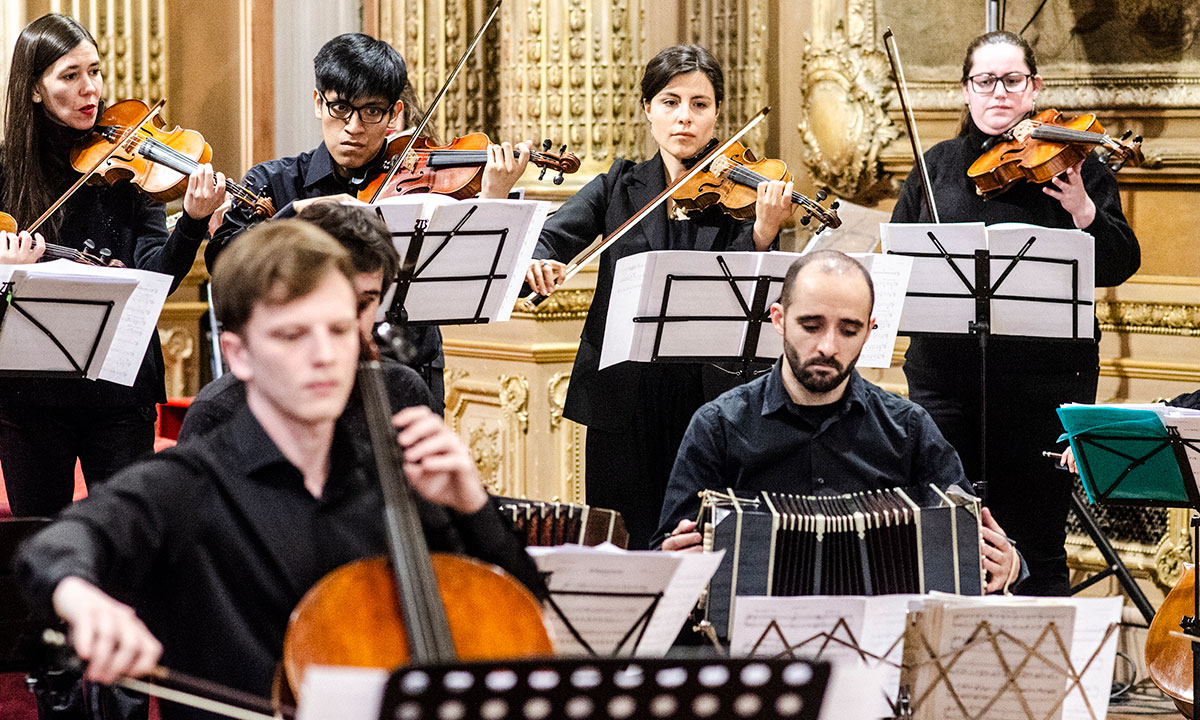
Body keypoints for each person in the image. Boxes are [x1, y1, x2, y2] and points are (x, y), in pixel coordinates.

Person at [15, 220, 544, 720]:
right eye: (292, 335)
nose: (325, 355)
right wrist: (82, 597)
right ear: (239, 354)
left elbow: (521, 614)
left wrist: (474, 506)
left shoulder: (395, 476)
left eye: (339, 330)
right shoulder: (191, 484)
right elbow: (57, 546)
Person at [889, 30, 1140, 595]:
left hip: (1044, 388)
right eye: (985, 81)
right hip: (945, 384)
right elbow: (899, 268)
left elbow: (1120, 262)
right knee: (943, 538)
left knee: (1036, 542)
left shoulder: (1077, 163)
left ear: (1034, 87)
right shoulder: (937, 168)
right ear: (966, 91)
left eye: (1012, 80)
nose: (998, 93)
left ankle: (1039, 677)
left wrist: (1081, 208)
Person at [524, 44, 796, 549]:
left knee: (706, 542)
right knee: (624, 543)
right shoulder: (615, 187)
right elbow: (544, 240)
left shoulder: (740, 196)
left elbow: (754, 300)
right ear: (647, 109)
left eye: (700, 104)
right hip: (622, 402)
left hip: (709, 401)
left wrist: (762, 233)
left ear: (717, 114)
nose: (685, 118)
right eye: (670, 102)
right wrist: (539, 260)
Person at [655, 251, 1022, 594]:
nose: (828, 346)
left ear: (868, 330)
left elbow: (974, 543)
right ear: (779, 320)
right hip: (748, 650)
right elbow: (667, 550)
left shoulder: (908, 428)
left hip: (879, 648)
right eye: (811, 325)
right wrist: (672, 563)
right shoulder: (718, 425)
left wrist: (1010, 564)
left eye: (848, 330)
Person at [208, 33, 530, 413]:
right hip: (302, 371)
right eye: (340, 108)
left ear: (394, 113)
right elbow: (224, 261)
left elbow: (507, 285)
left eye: (371, 112)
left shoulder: (428, 185)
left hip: (405, 369)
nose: (354, 127)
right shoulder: (275, 182)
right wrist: (297, 214)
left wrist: (493, 197)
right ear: (318, 103)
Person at [0, 13, 225, 518]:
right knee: (40, 542)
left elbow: (157, 279)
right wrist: (6, 276)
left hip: (120, 389)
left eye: (95, 72)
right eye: (70, 75)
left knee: (131, 543)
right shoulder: (5, 172)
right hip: (29, 397)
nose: (91, 90)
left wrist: (190, 222)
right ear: (34, 89)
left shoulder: (131, 165)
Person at [178, 202, 432, 441]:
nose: (349, 320)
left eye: (366, 302)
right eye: (333, 301)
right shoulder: (217, 410)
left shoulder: (403, 388)